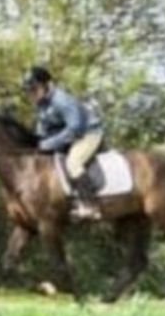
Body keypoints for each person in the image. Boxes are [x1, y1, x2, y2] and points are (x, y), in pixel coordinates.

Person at [24, 65, 105, 210]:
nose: (31, 94)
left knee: (73, 163)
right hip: (70, 136)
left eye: (34, 89)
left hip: (88, 134)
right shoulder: (42, 104)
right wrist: (37, 143)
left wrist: (47, 144)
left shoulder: (61, 100)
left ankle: (90, 204)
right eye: (29, 90)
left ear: (47, 85)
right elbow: (42, 129)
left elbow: (75, 129)